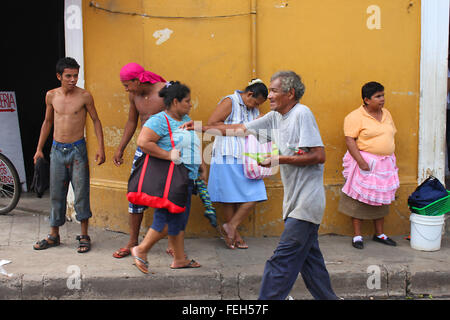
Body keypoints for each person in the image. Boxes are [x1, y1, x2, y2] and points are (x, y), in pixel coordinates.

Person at [184, 71, 338, 300]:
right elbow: (240, 130)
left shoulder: (302, 114)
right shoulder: (275, 117)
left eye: (275, 91)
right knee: (311, 263)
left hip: (306, 203)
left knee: (281, 262)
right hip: (293, 203)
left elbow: (319, 156)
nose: (270, 96)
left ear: (291, 93)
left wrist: (280, 159)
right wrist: (201, 128)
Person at [130, 81, 206, 273]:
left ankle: (180, 259)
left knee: (178, 220)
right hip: (171, 181)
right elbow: (143, 142)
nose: (190, 104)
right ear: (174, 102)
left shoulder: (185, 118)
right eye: (187, 101)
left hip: (186, 178)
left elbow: (193, 144)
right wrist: (168, 154)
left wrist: (200, 168)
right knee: (166, 221)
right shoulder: (158, 121)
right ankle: (141, 249)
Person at [33, 57, 105, 253]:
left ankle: (84, 235)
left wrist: (101, 147)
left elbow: (96, 121)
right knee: (56, 193)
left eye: (75, 75)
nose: (73, 80)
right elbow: (47, 122)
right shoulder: (51, 96)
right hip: (57, 150)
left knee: (81, 192)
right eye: (68, 76)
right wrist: (39, 149)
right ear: (59, 76)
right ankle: (54, 235)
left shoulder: (84, 96)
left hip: (77, 150)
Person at [112, 63, 166, 259]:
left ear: (138, 80)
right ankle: (133, 242)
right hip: (143, 150)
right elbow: (132, 121)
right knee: (134, 193)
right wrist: (121, 148)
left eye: (127, 85)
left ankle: (174, 243)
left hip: (165, 150)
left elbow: (180, 120)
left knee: (168, 195)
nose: (126, 89)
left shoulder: (165, 91)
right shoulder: (133, 96)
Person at [206, 79, 268, 249]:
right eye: (255, 102)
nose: (255, 106)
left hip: (248, 157)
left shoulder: (254, 108)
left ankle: (230, 227)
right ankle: (234, 234)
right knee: (228, 198)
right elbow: (212, 125)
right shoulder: (230, 101)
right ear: (249, 94)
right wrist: (242, 127)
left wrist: (260, 122)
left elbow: (255, 130)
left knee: (256, 193)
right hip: (226, 153)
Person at [338, 81, 399, 249]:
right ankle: (357, 236)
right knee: (358, 198)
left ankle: (379, 233)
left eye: (383, 95)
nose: (382, 99)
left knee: (381, 200)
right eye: (378, 96)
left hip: (384, 165)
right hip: (365, 164)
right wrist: (361, 162)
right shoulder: (354, 117)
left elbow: (390, 135)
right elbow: (350, 140)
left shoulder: (386, 114)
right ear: (366, 99)